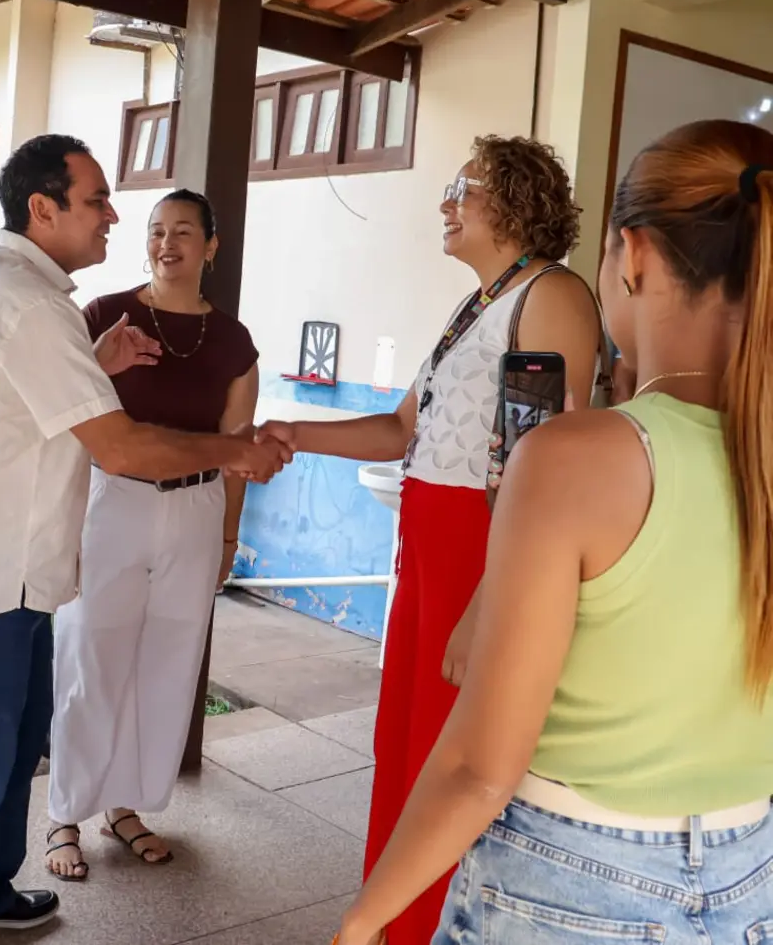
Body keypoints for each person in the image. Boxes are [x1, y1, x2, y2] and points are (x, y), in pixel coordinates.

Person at [332, 118, 773, 943]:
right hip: (750, 874)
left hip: (567, 879)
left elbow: (478, 769)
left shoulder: (577, 455)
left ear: (632, 255)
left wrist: (362, 920)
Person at [0, 135, 291, 945]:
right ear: (43, 209)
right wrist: (234, 451)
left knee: (12, 749)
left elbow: (34, 398)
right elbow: (121, 447)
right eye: (97, 201)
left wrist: (95, 358)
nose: (114, 216)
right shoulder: (32, 304)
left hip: (18, 569)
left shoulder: (4, 281)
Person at [258, 136, 603, 945]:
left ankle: (431, 927)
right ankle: (390, 922)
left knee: (451, 754)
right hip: (428, 554)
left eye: (463, 187)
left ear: (513, 200)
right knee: (406, 744)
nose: (446, 203)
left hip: (480, 557)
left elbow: (545, 462)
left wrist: (491, 600)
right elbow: (400, 428)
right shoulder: (480, 302)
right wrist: (295, 432)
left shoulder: (550, 295)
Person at [44, 189, 259, 879]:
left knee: (166, 661)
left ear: (211, 246)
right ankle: (64, 813)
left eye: (184, 231)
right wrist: (64, 523)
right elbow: (69, 425)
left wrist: (227, 538)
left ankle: (125, 805)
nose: (168, 244)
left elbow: (238, 448)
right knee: (90, 655)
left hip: (196, 509)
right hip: (113, 502)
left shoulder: (233, 341)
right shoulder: (106, 316)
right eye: (158, 231)